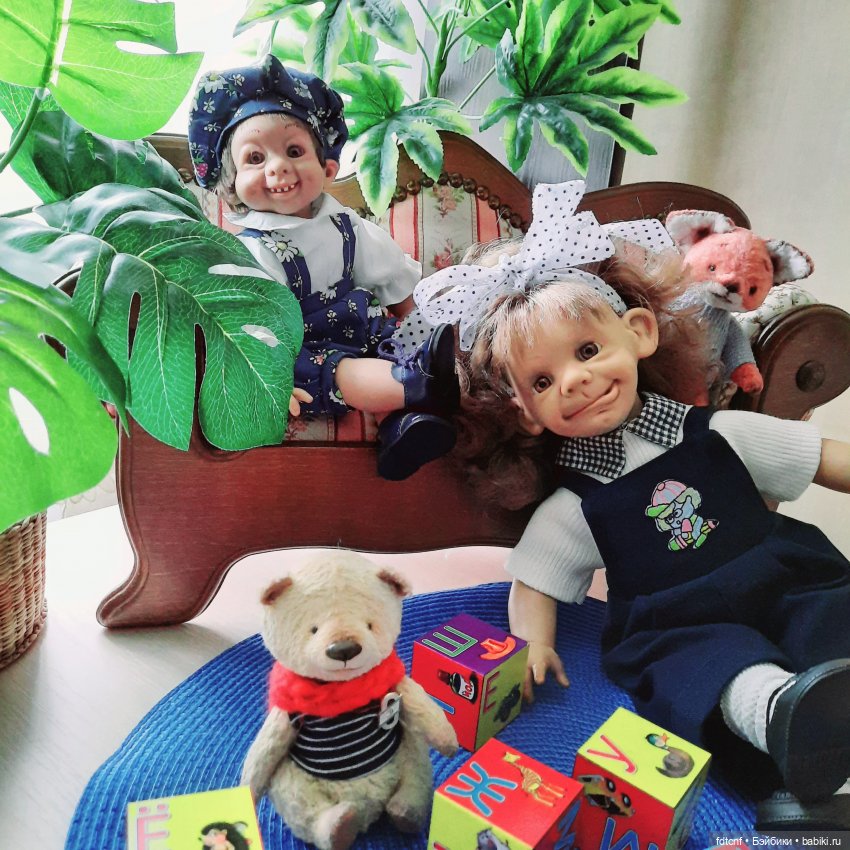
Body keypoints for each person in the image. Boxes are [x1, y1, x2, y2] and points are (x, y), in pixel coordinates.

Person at [416, 180, 850, 828]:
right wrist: (532, 644)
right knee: (699, 664)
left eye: (588, 351)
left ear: (640, 333)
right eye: (543, 380)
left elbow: (818, 456)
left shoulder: (720, 432)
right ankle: (778, 713)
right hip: (674, 617)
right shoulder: (575, 505)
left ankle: (826, 714)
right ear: (526, 412)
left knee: (828, 611)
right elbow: (536, 579)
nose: (576, 379)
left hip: (778, 573)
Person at [187, 54, 457, 480]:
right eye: (254, 158)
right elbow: (250, 325)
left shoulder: (346, 225)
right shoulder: (253, 252)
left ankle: (403, 432)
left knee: (394, 340)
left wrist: (420, 327)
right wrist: (266, 379)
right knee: (341, 371)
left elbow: (392, 279)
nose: (278, 166)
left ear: (327, 168)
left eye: (294, 151)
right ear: (231, 185)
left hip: (363, 327)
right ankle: (424, 385)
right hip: (304, 348)